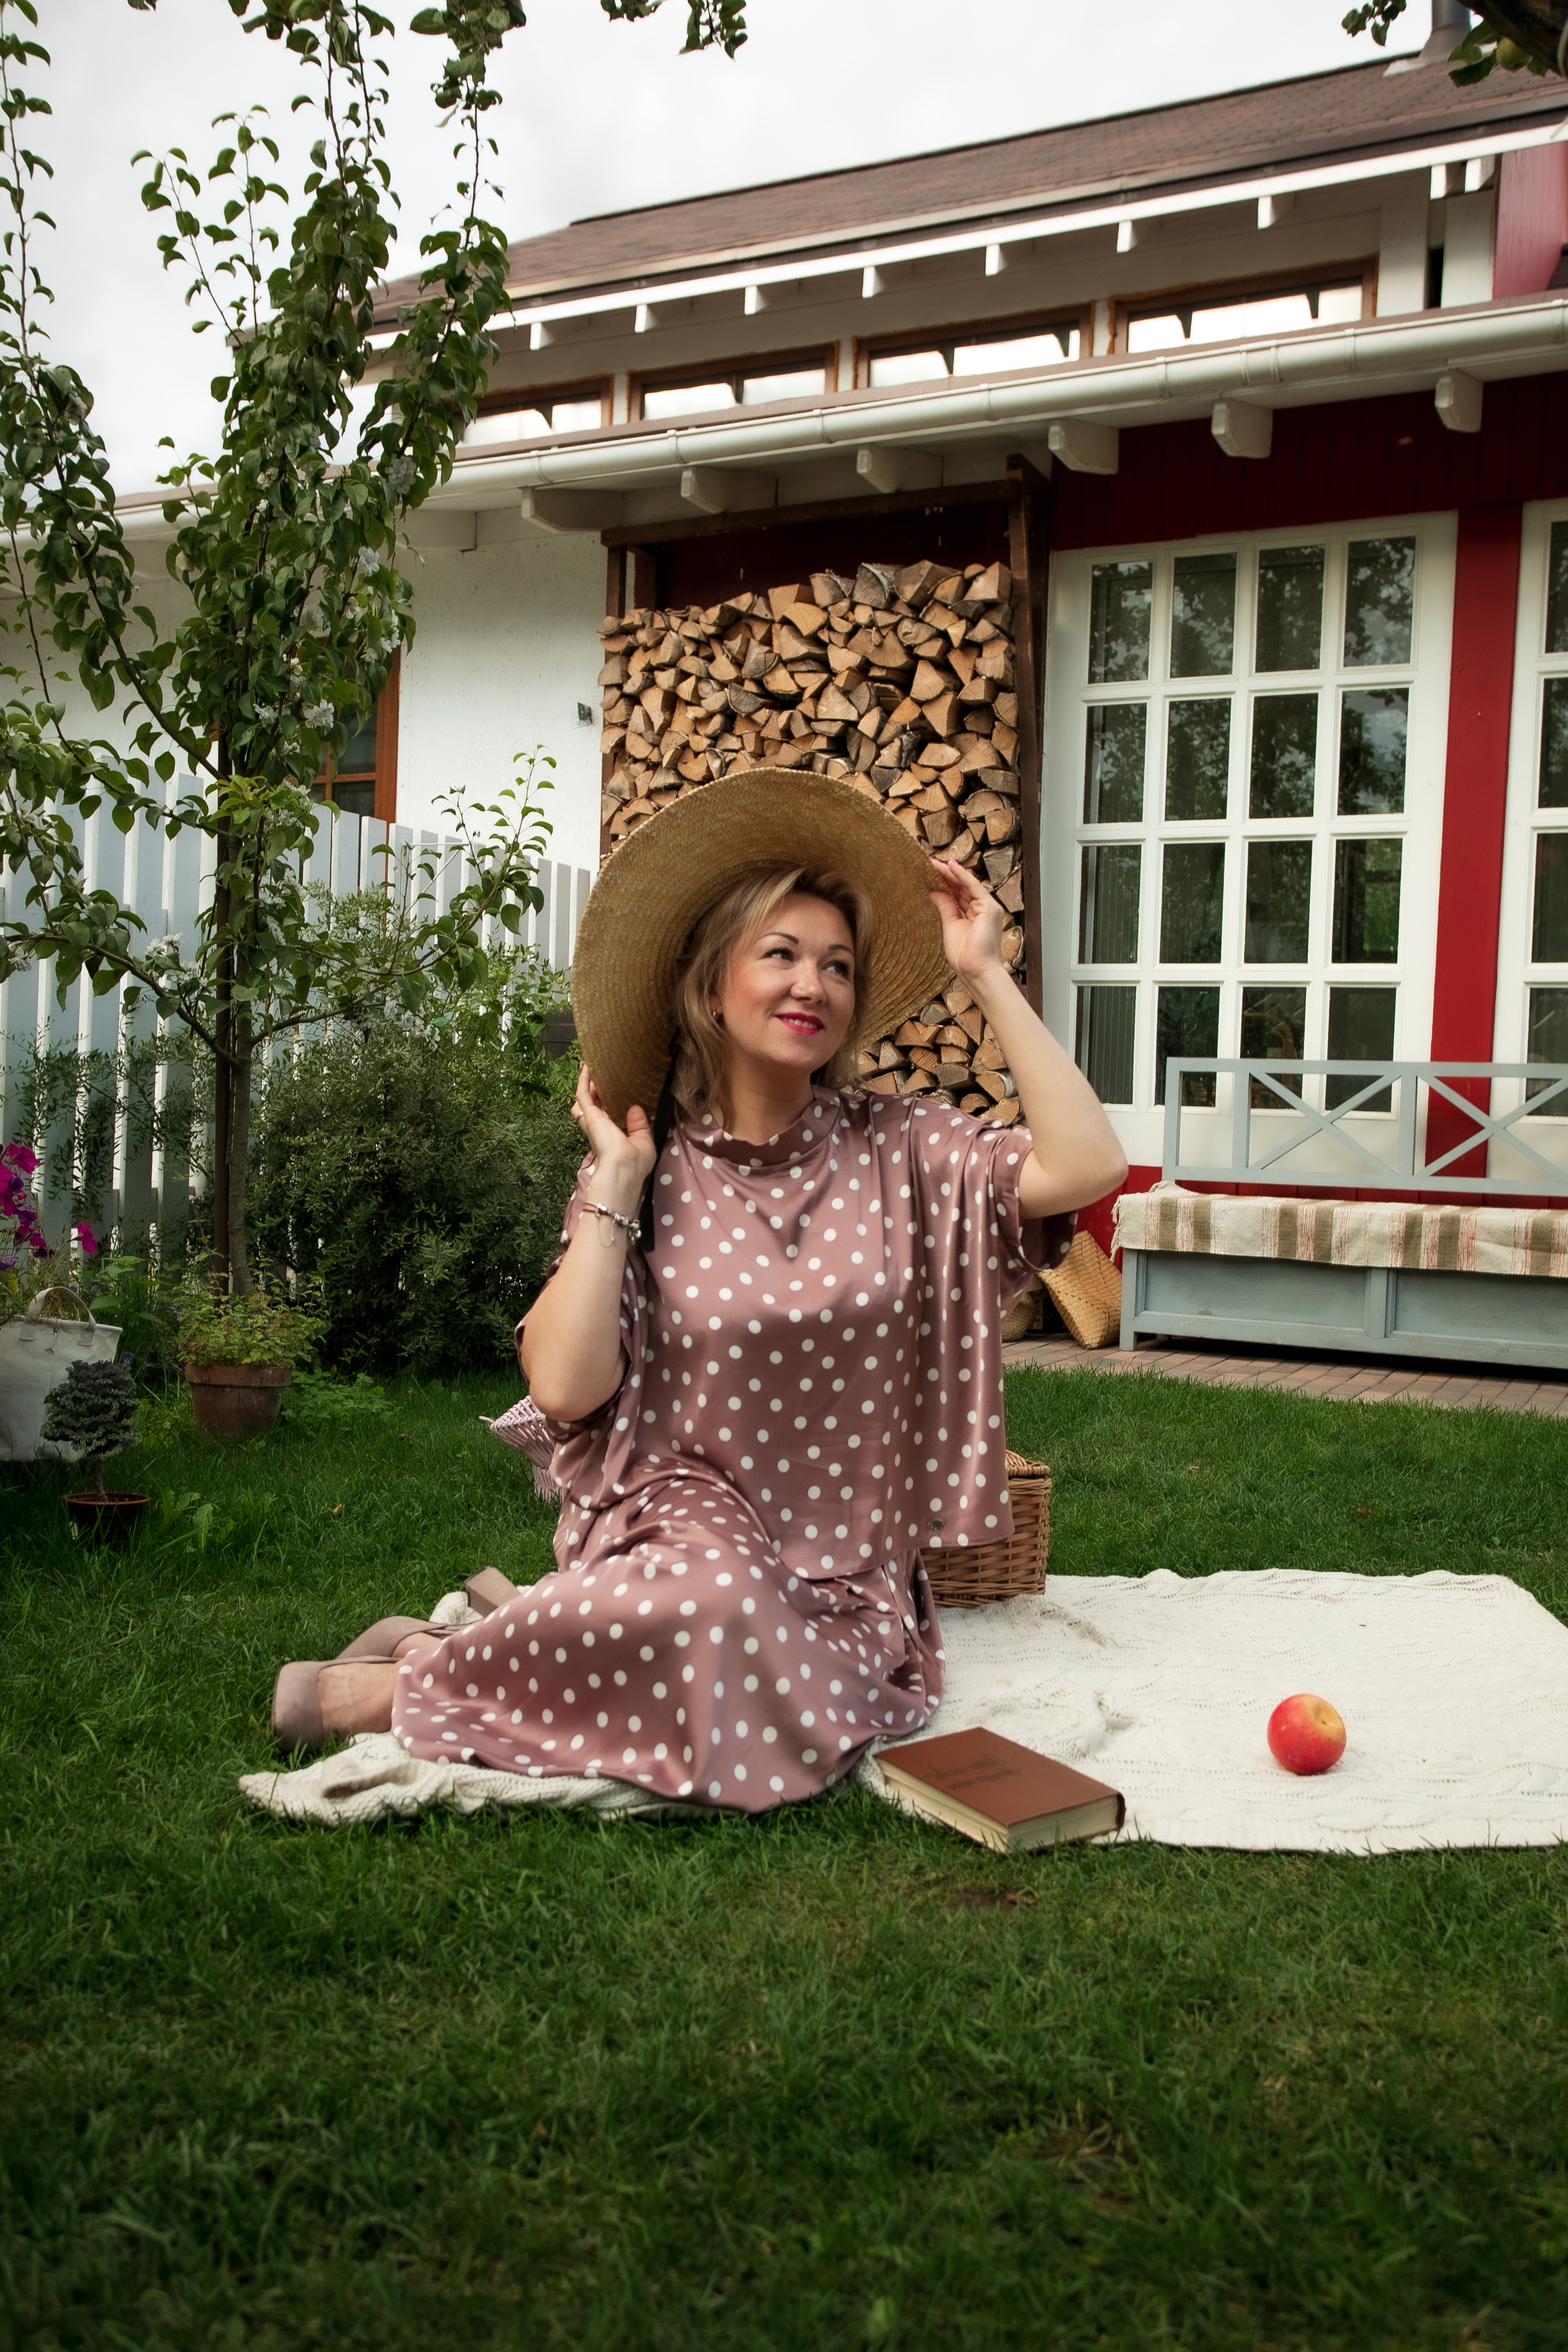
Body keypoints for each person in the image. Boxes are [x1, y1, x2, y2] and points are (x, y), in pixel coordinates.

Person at [274, 768, 1126, 1806]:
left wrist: (985, 973)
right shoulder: (646, 1165)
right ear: (712, 981)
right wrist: (619, 1186)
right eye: (781, 955)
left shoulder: (903, 1148)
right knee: (717, 1607)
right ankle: (402, 1685)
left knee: (772, 1670)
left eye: (838, 966)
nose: (813, 984)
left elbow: (1087, 1167)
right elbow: (563, 1390)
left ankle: (447, 1653)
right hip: (678, 1523)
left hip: (841, 1564)